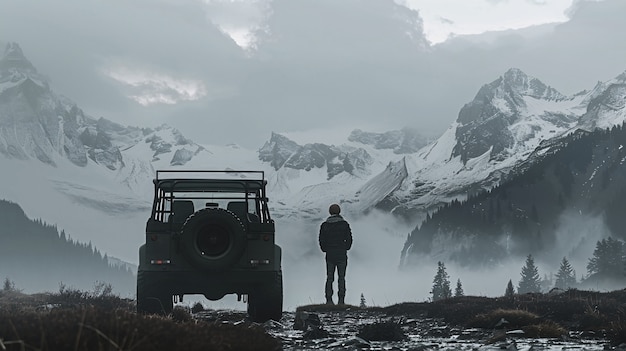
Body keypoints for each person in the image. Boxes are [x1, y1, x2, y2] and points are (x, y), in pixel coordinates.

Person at [318, 203, 353, 305]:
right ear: (339, 212)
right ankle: (341, 300)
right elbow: (349, 239)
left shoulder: (324, 225)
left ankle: (329, 299)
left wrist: (325, 249)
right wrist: (346, 247)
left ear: (330, 212)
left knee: (330, 277)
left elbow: (321, 239)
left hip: (330, 254)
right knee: (341, 277)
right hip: (341, 253)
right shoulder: (344, 224)